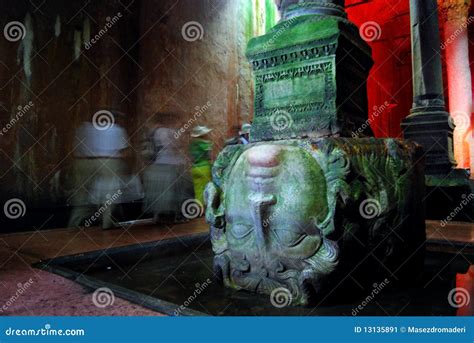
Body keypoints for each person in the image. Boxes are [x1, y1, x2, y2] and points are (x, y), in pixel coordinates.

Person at [68, 111, 129, 230]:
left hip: (83, 161)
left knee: (83, 193)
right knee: (109, 192)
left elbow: (74, 147)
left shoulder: (85, 128)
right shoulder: (117, 129)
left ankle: (74, 222)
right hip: (108, 161)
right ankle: (106, 221)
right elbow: (124, 150)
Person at [142, 116, 190, 223]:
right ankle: (175, 216)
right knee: (175, 192)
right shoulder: (171, 132)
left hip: (158, 163)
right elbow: (175, 147)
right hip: (171, 164)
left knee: (160, 193)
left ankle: (158, 215)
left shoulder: (155, 131)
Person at [190, 125, 213, 206]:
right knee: (208, 189)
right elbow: (210, 156)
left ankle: (199, 208)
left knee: (198, 190)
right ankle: (208, 208)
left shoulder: (192, 145)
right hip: (204, 168)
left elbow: (192, 158)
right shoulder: (206, 144)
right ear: (203, 135)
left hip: (194, 168)